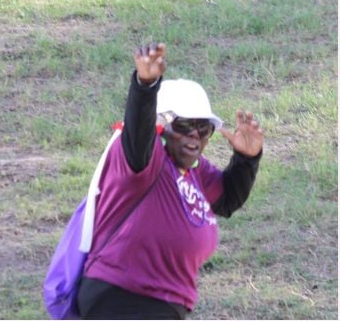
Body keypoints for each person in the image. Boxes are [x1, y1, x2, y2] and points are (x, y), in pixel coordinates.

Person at [75, 43, 262, 319]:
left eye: (203, 128)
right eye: (184, 126)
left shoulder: (193, 170)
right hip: (123, 299)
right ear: (161, 127)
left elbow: (227, 200)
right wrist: (146, 86)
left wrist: (247, 158)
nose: (195, 136)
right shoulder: (143, 160)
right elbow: (138, 133)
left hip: (163, 306)